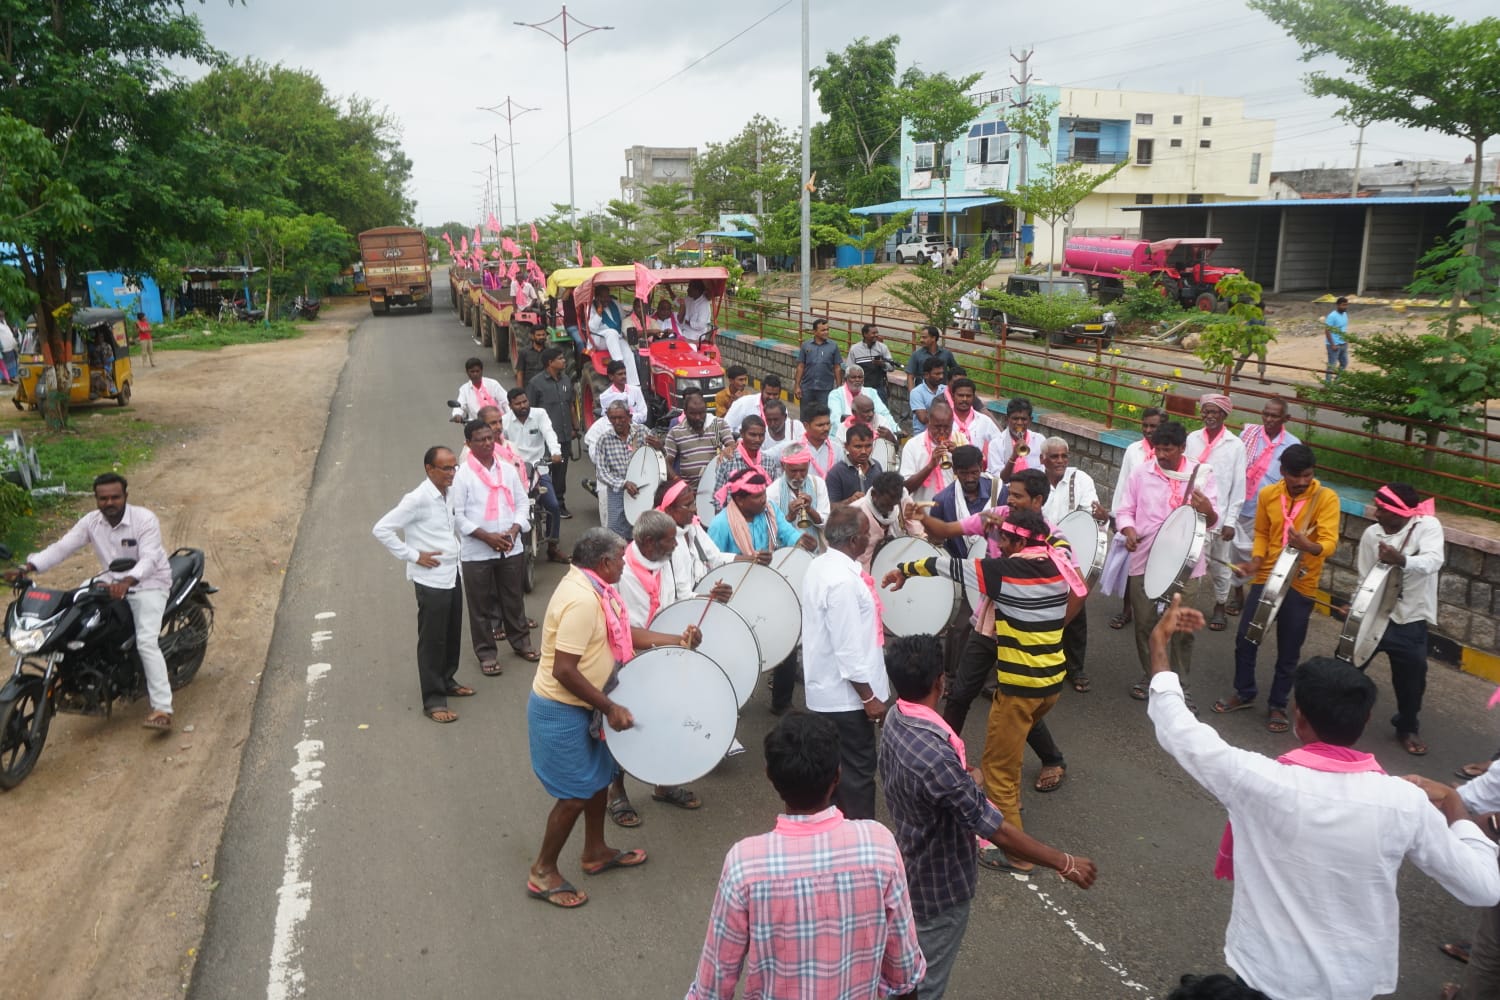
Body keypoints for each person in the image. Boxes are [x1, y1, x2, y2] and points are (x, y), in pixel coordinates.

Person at [1146, 597, 1500, 1000]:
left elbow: (1178, 728)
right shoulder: (1404, 801)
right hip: (1354, 985)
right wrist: (1454, 804)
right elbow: (1484, 889)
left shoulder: (1260, 780)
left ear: (1298, 718)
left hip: (1267, 976)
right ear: (1366, 720)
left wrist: (1160, 642)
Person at [880, 634, 1097, 999]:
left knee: (905, 971)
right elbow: (996, 830)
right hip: (938, 889)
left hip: (910, 865)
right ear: (940, 681)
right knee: (925, 984)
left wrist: (966, 780)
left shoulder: (895, 717)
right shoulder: (936, 759)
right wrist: (1064, 862)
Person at [881, 508, 1085, 873]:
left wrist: (906, 571)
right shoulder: (1061, 562)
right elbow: (1063, 546)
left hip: (1020, 687)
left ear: (1021, 541)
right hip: (1051, 684)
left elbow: (950, 567)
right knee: (1013, 744)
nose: (999, 545)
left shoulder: (1003, 572)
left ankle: (1017, 854)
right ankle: (1010, 802)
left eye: (1004, 539)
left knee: (997, 768)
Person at [683, 712, 926, 999]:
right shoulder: (879, 845)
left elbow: (712, 986)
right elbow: (904, 973)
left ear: (770, 775)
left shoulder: (745, 865)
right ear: (838, 775)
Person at [525, 528, 702, 909]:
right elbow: (564, 670)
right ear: (604, 563)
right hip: (563, 710)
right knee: (573, 795)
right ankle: (542, 872)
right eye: (621, 559)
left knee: (598, 781)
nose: (625, 564)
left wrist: (677, 640)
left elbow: (624, 634)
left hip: (588, 705)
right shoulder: (581, 600)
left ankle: (595, 851)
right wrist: (609, 708)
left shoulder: (600, 590)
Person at [17, 473, 175, 729]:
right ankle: (74, 675)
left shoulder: (144, 520)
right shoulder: (92, 522)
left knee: (146, 641)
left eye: (115, 497)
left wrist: (128, 581)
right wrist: (29, 566)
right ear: (96, 499)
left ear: (126, 496)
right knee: (70, 615)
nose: (109, 502)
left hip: (148, 585)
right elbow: (62, 547)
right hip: (109, 584)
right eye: (103, 498)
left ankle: (162, 708)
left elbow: (149, 559)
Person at [1213, 444, 1338, 736]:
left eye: (1308, 475)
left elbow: (1330, 542)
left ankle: (1278, 704)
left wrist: (1309, 546)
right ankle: (1244, 692)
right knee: (1246, 639)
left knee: (1289, 649)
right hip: (1266, 577)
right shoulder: (1269, 494)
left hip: (1301, 582)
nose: (1302, 482)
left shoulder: (1326, 498)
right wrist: (1255, 562)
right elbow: (1262, 534)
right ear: (1283, 473)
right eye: (1296, 476)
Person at [609, 510, 708, 824]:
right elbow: (628, 633)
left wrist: (703, 605)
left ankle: (664, 784)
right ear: (648, 542)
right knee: (625, 726)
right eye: (669, 541)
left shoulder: (670, 558)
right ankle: (616, 792)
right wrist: (675, 640)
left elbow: (681, 598)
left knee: (669, 718)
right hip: (630, 659)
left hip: (669, 652)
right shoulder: (620, 573)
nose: (676, 546)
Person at [1115, 420, 1219, 705]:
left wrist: (1207, 509)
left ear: (1183, 448)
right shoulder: (1141, 472)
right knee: (1145, 624)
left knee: (1182, 628)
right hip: (1145, 560)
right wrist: (1128, 530)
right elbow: (1125, 510)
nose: (1161, 455)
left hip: (1188, 565)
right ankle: (1153, 677)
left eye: (1168, 450)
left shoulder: (1201, 475)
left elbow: (1211, 521)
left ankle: (1180, 686)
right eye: (1158, 449)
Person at [800, 507, 889, 820]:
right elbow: (847, 648)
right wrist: (868, 697)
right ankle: (860, 845)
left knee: (833, 775)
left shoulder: (820, 566)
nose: (870, 536)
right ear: (854, 540)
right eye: (867, 532)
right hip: (847, 700)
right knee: (857, 777)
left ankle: (836, 840)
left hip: (827, 693)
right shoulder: (843, 582)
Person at [372, 446, 471, 723]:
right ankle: (434, 700)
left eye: (454, 467)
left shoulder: (449, 493)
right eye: (446, 468)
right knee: (432, 639)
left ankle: (448, 679)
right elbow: (381, 529)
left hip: (453, 573)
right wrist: (414, 555)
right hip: (431, 580)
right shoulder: (417, 499)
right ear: (429, 469)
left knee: (452, 632)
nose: (453, 473)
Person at [709, 467, 816, 715]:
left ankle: (782, 702)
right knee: (736, 651)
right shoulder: (720, 524)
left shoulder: (769, 511)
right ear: (739, 499)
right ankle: (729, 705)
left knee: (787, 640)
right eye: (756, 497)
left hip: (770, 587)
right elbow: (711, 563)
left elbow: (788, 533)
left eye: (763, 494)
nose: (763, 500)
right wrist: (746, 559)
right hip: (737, 596)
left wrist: (799, 540)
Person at [1355, 483, 1445, 755]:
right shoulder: (1372, 534)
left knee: (1411, 682)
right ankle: (1330, 718)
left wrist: (1402, 560)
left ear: (1398, 512)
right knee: (1348, 668)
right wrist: (1355, 606)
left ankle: (1407, 727)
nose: (1376, 514)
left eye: (1382, 509)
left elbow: (1433, 562)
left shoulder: (1427, 526)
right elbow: (1364, 575)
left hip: (1410, 620)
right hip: (1374, 615)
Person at [452, 420, 535, 673]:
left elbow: (522, 504)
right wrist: (487, 537)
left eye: (490, 438)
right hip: (477, 551)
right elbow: (457, 516)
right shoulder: (462, 476)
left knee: (513, 599)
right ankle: (487, 653)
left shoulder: (508, 470)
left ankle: (521, 642)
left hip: (510, 547)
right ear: (468, 444)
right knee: (480, 606)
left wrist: (513, 530)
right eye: (480, 439)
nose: (488, 443)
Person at [1229, 397, 1300, 616]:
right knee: (1235, 552)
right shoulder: (1248, 435)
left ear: (1286, 418)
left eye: (1274, 416)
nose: (1268, 419)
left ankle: (1256, 595)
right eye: (1266, 414)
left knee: (1264, 554)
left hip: (1269, 510)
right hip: (1242, 503)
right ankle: (1237, 591)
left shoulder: (1293, 444)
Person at [1187, 394, 1248, 633]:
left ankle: (1220, 604)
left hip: (1220, 517)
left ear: (1224, 415)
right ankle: (1187, 605)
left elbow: (1238, 487)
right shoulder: (1192, 439)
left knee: (1220, 565)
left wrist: (1231, 521)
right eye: (1205, 411)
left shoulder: (1235, 446)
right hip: (1192, 515)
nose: (1209, 416)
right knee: (1191, 562)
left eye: (1214, 412)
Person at [1103, 407, 1166, 631]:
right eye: (1145, 425)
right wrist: (1116, 516)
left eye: (1154, 426)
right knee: (1131, 567)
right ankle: (1127, 609)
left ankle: (1156, 612)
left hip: (1158, 518)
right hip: (1133, 517)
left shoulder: (1169, 453)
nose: (1148, 430)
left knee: (1158, 567)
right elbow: (1122, 484)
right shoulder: (1133, 450)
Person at [503, 388, 569, 565]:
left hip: (539, 470)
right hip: (516, 472)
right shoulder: (505, 421)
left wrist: (555, 452)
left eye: (525, 401)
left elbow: (549, 433)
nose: (523, 406)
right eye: (518, 403)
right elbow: (501, 443)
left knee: (553, 506)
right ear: (510, 405)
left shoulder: (539, 414)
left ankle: (553, 546)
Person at [527, 347, 577, 520]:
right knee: (543, 472)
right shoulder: (536, 383)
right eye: (560, 358)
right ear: (550, 363)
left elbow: (570, 404)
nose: (564, 361)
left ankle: (559, 504)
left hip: (564, 436)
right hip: (545, 439)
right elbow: (530, 411)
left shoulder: (566, 380)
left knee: (561, 473)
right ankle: (541, 504)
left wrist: (575, 427)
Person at [589, 400, 651, 539]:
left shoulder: (643, 432)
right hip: (617, 493)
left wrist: (660, 447)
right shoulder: (604, 440)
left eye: (621, 418)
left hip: (643, 490)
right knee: (616, 535)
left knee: (644, 531)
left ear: (629, 416)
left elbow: (656, 459)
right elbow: (602, 472)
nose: (617, 422)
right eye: (613, 418)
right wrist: (623, 484)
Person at [664, 389, 733, 491]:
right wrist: (679, 483)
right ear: (685, 411)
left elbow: (732, 445)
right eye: (693, 413)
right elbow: (667, 463)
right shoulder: (676, 432)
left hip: (717, 489)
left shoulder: (718, 424)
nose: (698, 417)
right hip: (690, 492)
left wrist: (728, 449)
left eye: (701, 413)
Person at [711, 414, 781, 511]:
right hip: (734, 520)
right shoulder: (727, 460)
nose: (757, 440)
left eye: (761, 435)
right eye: (752, 435)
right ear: (742, 433)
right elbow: (718, 500)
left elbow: (774, 497)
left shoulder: (769, 462)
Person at [899, 399, 961, 504]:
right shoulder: (913, 446)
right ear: (928, 423)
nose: (942, 432)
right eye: (937, 427)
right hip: (924, 511)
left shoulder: (960, 440)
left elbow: (973, 477)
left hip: (954, 511)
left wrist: (958, 455)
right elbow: (905, 488)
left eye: (947, 427)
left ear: (952, 423)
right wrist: (930, 466)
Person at [848, 471, 908, 573]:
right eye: (885, 504)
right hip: (856, 573)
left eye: (892, 505)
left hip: (884, 571)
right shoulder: (854, 512)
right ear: (874, 494)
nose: (889, 509)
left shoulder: (897, 511)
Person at [587, 285, 640, 389]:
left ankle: (634, 386)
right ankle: (618, 365)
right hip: (599, 340)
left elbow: (623, 318)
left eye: (607, 296)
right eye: (603, 297)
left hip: (616, 338)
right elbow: (592, 328)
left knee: (628, 352)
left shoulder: (614, 303)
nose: (606, 299)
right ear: (597, 297)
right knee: (611, 332)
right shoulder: (591, 307)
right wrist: (599, 311)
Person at [827, 362, 899, 437]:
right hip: (842, 435)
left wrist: (896, 429)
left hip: (870, 434)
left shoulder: (871, 392)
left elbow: (883, 412)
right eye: (853, 377)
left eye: (860, 377)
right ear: (846, 379)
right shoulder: (836, 394)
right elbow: (835, 418)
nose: (857, 380)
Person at [985, 397, 1048, 480]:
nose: (1019, 423)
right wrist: (1013, 457)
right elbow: (1000, 479)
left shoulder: (1040, 440)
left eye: (1023, 419)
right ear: (1007, 419)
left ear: (1030, 420)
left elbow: (1045, 470)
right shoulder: (996, 444)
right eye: (1015, 419)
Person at [770, 445, 829, 532]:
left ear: (809, 464)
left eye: (803, 470)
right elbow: (771, 531)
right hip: (786, 545)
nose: (798, 476)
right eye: (793, 471)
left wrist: (810, 510)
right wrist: (789, 517)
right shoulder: (773, 491)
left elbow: (826, 524)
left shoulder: (818, 484)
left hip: (815, 544)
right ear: (783, 466)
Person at [792, 317, 842, 418]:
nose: (826, 332)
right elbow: (801, 366)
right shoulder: (806, 345)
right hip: (807, 389)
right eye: (823, 330)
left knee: (823, 417)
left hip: (825, 389)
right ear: (814, 332)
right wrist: (797, 386)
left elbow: (837, 368)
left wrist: (839, 387)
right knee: (806, 417)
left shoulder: (833, 346)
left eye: (827, 329)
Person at [944, 378, 999, 461]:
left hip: (975, 471)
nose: (964, 399)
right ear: (953, 396)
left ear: (973, 397)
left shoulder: (984, 421)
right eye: (960, 395)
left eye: (968, 396)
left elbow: (999, 443)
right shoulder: (943, 420)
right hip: (948, 470)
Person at [827, 422, 882, 505]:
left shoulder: (877, 467)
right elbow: (829, 508)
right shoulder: (836, 473)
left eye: (868, 446)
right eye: (858, 447)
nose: (863, 451)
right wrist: (849, 501)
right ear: (846, 446)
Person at [796, 403, 843, 484]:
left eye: (828, 424)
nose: (826, 428)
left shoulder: (837, 448)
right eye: (820, 425)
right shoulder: (795, 448)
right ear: (806, 426)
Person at [847, 323, 894, 402]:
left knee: (881, 413)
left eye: (877, 332)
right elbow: (849, 369)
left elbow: (892, 367)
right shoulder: (855, 349)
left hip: (878, 388)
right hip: (861, 389)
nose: (876, 335)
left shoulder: (882, 347)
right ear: (865, 334)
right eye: (873, 333)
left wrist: (882, 364)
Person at [451, 358, 505, 423]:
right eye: (472, 372)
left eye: (477, 371)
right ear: (467, 372)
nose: (475, 374)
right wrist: (457, 414)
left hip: (498, 422)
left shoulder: (493, 384)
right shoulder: (464, 390)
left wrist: (509, 416)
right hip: (477, 425)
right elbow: (460, 405)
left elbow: (505, 401)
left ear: (482, 371)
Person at [599, 359, 648, 425]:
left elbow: (644, 415)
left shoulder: (636, 390)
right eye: (620, 374)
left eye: (625, 373)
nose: (624, 376)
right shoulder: (606, 396)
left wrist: (627, 418)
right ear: (611, 377)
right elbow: (607, 420)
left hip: (637, 428)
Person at [908, 357, 947, 433]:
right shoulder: (917, 393)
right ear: (926, 375)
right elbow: (923, 419)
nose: (941, 377)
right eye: (937, 374)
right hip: (922, 437)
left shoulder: (945, 389)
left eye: (942, 373)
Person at [760, 397, 803, 462]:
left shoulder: (796, 426)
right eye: (769, 420)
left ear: (785, 417)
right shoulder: (761, 434)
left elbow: (804, 449)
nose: (772, 423)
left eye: (776, 419)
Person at [679, 278, 715, 344]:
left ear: (697, 290)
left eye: (690, 288)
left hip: (695, 336)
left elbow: (701, 325)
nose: (687, 290)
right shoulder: (689, 298)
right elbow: (678, 301)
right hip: (685, 331)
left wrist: (688, 322)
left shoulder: (704, 304)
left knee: (676, 341)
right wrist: (669, 290)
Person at [515, 324, 550, 389]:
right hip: (529, 388)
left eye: (543, 335)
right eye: (538, 335)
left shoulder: (549, 352)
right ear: (532, 336)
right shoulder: (524, 352)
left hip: (545, 388)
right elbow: (520, 373)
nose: (541, 337)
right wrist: (520, 391)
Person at [1324, 295, 1349, 385]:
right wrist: (1332, 344)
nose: (1345, 307)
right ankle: (1328, 383)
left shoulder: (1345, 314)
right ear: (1338, 305)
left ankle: (1337, 382)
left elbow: (1344, 328)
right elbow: (1327, 330)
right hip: (1334, 345)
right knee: (1332, 365)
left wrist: (1346, 339)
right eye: (1343, 305)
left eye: (1346, 305)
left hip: (1343, 344)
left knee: (1344, 363)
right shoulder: (1332, 316)